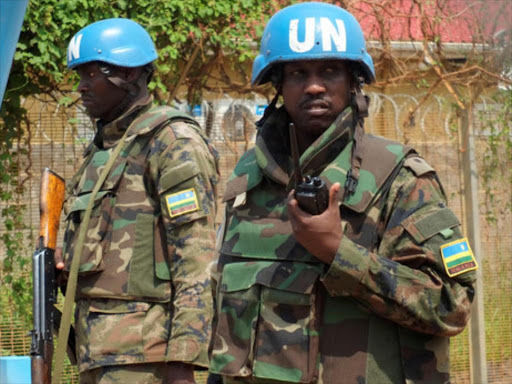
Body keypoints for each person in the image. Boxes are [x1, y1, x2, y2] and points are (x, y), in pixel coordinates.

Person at [208, 2, 477, 383]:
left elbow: (453, 304)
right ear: (278, 86)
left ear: (354, 81)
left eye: (330, 71)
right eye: (298, 73)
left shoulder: (401, 178)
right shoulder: (248, 175)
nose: (314, 85)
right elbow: (225, 303)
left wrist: (339, 254)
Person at [56, 18, 219, 383]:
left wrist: (183, 361)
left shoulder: (171, 140)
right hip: (99, 353)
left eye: (90, 74)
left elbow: (196, 258)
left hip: (147, 358)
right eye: (78, 76)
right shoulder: (105, 147)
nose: (81, 87)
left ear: (128, 74)